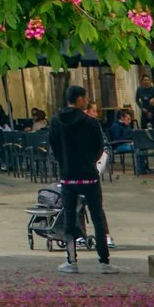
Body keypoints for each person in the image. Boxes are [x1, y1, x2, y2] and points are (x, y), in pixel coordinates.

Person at [47, 84, 112, 272]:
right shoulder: (90, 122)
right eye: (85, 97)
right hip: (89, 177)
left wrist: (64, 162)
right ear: (79, 99)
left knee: (69, 217)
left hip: (68, 177)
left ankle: (71, 260)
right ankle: (104, 261)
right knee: (97, 217)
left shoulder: (56, 122)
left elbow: (53, 145)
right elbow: (99, 148)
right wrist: (89, 162)